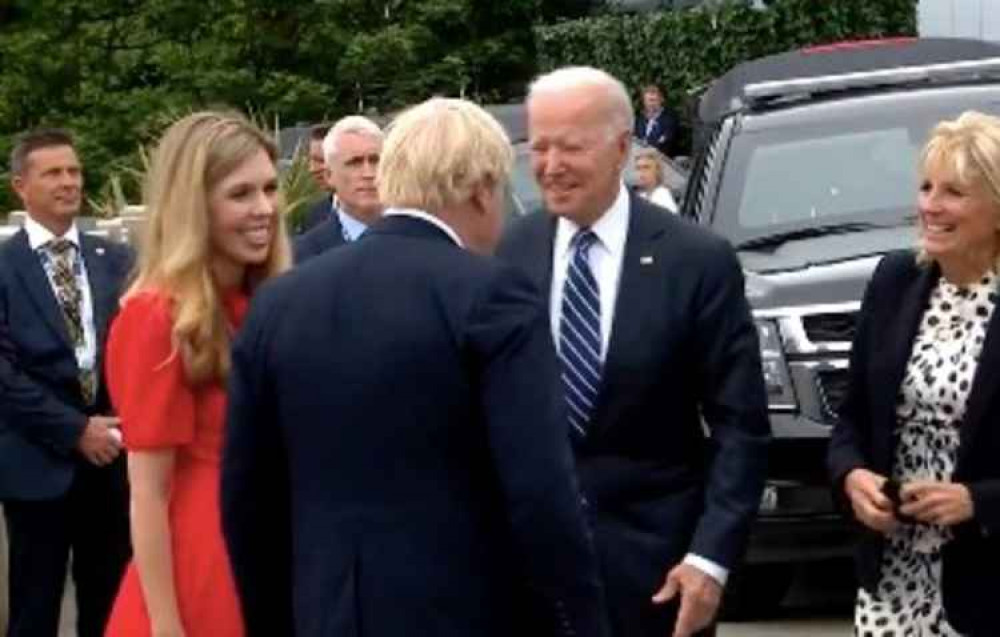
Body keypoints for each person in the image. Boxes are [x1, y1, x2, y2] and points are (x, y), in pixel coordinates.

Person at [222, 97, 608, 637]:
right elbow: (541, 490)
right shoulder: (492, 296)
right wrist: (581, 620)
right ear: (481, 189)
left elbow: (247, 498)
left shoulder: (281, 302)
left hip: (328, 611)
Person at [497, 66, 770, 637]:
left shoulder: (695, 260)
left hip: (661, 581)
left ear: (621, 147)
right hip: (532, 584)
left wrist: (710, 559)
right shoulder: (508, 254)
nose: (549, 166)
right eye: (538, 147)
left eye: (569, 147)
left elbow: (739, 425)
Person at [103, 111, 292, 637]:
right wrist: (167, 626)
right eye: (241, 194)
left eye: (270, 189)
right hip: (203, 572)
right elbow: (148, 493)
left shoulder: (264, 305)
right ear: (194, 205)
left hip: (272, 550)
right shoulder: (155, 317)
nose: (265, 209)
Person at [828, 111, 1000, 637]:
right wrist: (851, 477)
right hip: (894, 580)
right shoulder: (896, 280)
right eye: (926, 187)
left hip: (989, 587)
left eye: (953, 192)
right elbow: (851, 419)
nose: (930, 205)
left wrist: (978, 501)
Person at [0, 129, 132, 637]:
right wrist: (76, 430)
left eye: (74, 171)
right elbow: (4, 376)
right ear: (21, 186)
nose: (69, 182)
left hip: (110, 467)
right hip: (37, 465)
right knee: (34, 608)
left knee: (108, 603)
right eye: (53, 173)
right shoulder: (6, 268)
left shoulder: (116, 261)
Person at [294, 116, 383, 262]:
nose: (369, 173)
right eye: (354, 163)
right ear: (329, 175)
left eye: (375, 160)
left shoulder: (420, 236)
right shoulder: (303, 254)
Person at [298, 123, 334, 233]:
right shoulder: (313, 217)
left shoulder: (382, 214)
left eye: (321, 160)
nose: (312, 169)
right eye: (312, 160)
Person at [634, 84, 678, 157]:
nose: (650, 104)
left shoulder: (669, 120)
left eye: (653, 100)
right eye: (648, 100)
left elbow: (664, 145)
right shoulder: (639, 119)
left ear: (662, 99)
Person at [634, 147, 679, 213]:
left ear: (657, 170)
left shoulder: (662, 198)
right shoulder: (641, 196)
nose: (641, 173)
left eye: (646, 167)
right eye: (638, 168)